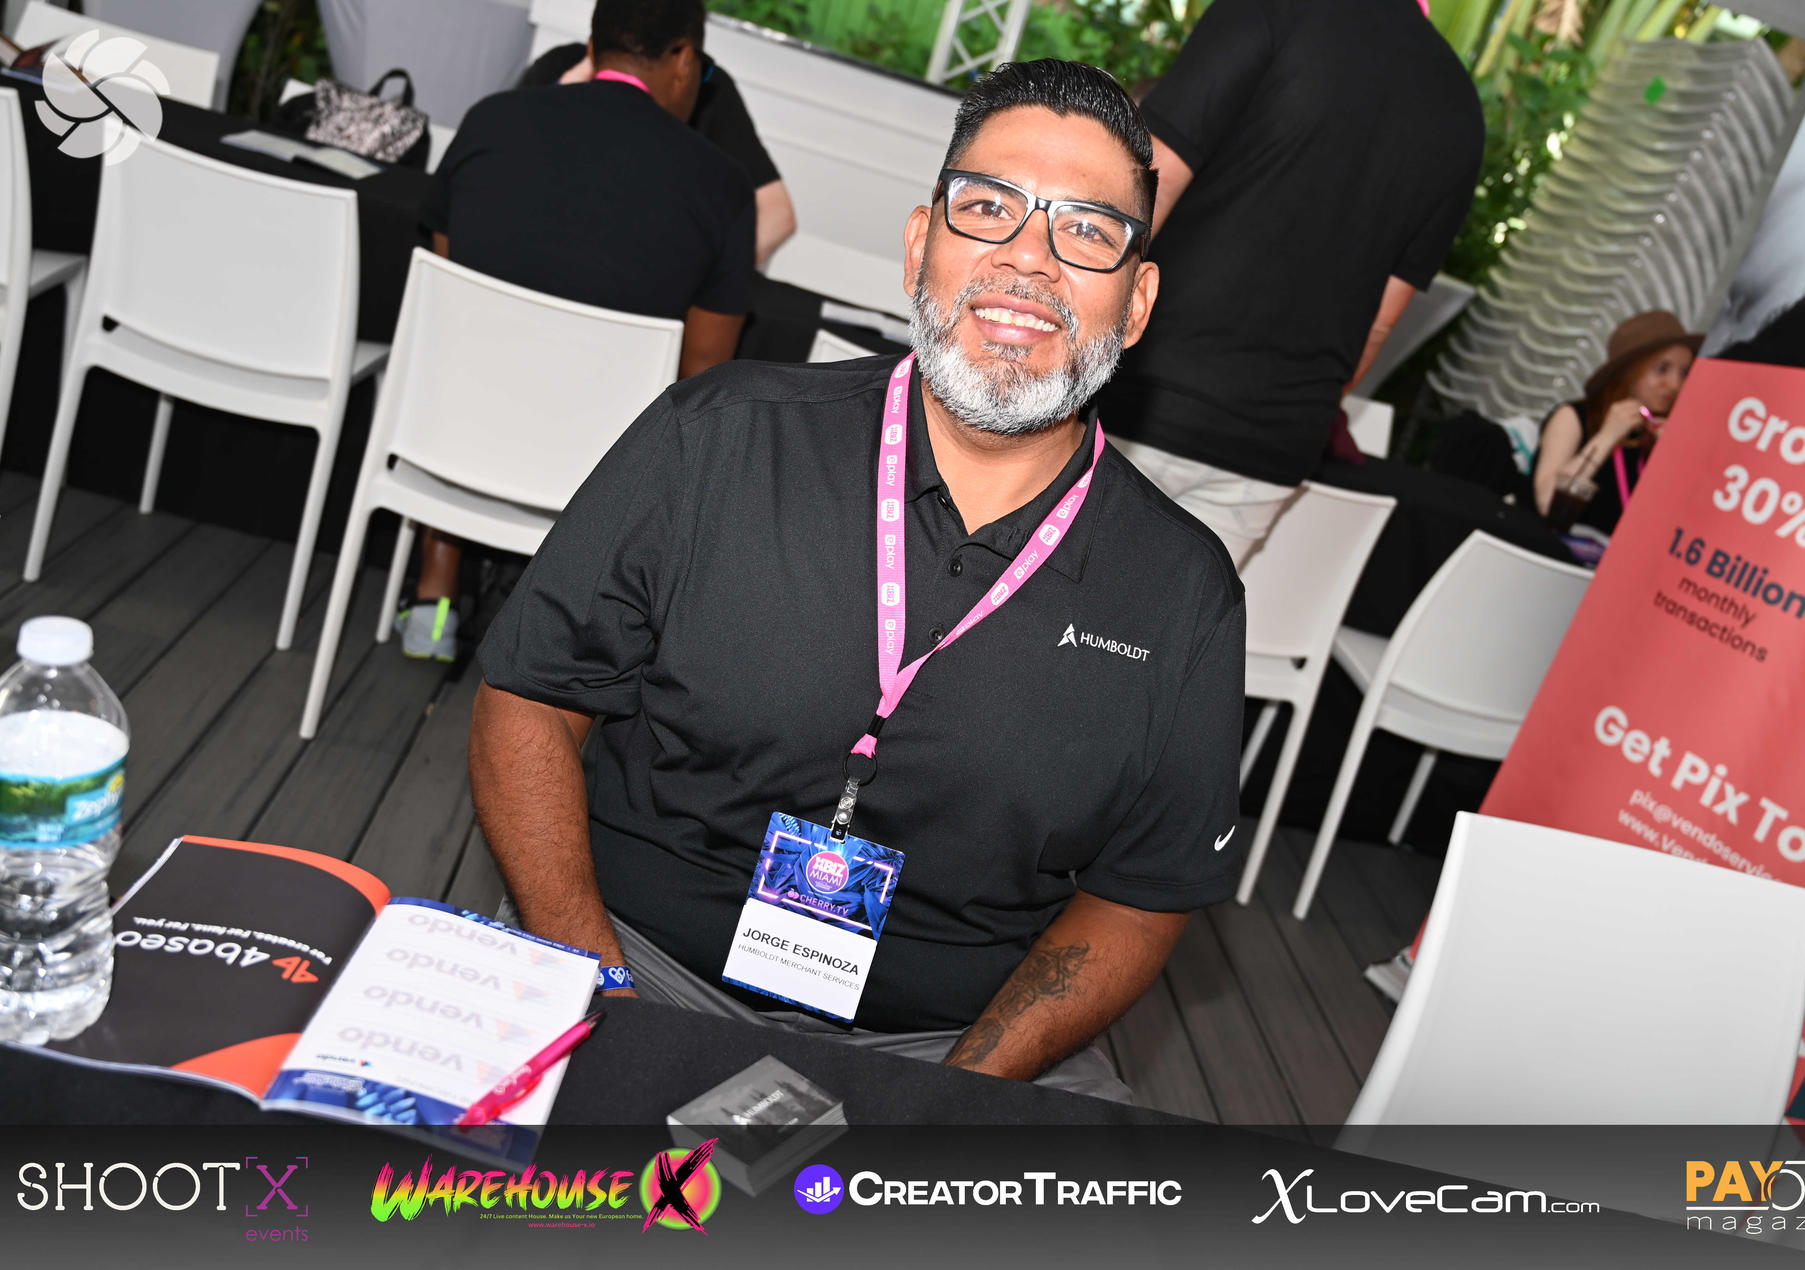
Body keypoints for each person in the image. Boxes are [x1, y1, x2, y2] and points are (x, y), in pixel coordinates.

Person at [468, 60, 1246, 1101]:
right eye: (988, 208)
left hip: (946, 1040)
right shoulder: (718, 437)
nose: (1028, 258)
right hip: (635, 961)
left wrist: (955, 1094)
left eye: (1087, 230)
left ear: (1136, 300)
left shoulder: (1182, 591)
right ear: (921, 247)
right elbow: (527, 699)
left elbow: (1142, 894)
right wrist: (599, 991)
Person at [405, 0, 757, 660]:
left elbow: (447, 296)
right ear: (684, 59)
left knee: (460, 354)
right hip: (597, 482)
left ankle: (434, 601)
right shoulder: (721, 186)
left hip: (455, 435)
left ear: (594, 45)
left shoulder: (491, 120)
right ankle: (570, 630)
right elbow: (705, 380)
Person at [1099, 0, 1483, 567]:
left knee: (1028, 607)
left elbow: (1142, 191)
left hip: (1135, 398)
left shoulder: (1274, 8)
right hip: (1267, 452)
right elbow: (1381, 323)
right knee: (1156, 624)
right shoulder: (1461, 109)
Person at [520, 41, 798, 267]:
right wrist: (565, 91)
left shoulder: (710, 89)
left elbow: (777, 214)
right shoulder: (560, 67)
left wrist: (714, 289)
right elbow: (511, 173)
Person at [1531, 310, 1701, 536]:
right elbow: (1547, 502)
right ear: (1628, 372)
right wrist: (1607, 436)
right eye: (1662, 369)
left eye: (1684, 372)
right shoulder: (1575, 416)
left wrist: (1672, 460)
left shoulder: (1661, 432)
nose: (1675, 384)